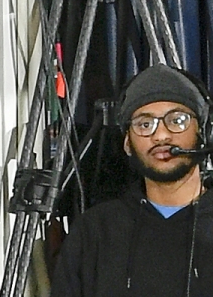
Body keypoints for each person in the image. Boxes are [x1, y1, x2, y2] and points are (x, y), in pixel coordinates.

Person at [52, 63, 213, 296]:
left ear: (204, 133)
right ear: (127, 143)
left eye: (177, 121)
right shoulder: (94, 232)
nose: (160, 135)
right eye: (145, 124)